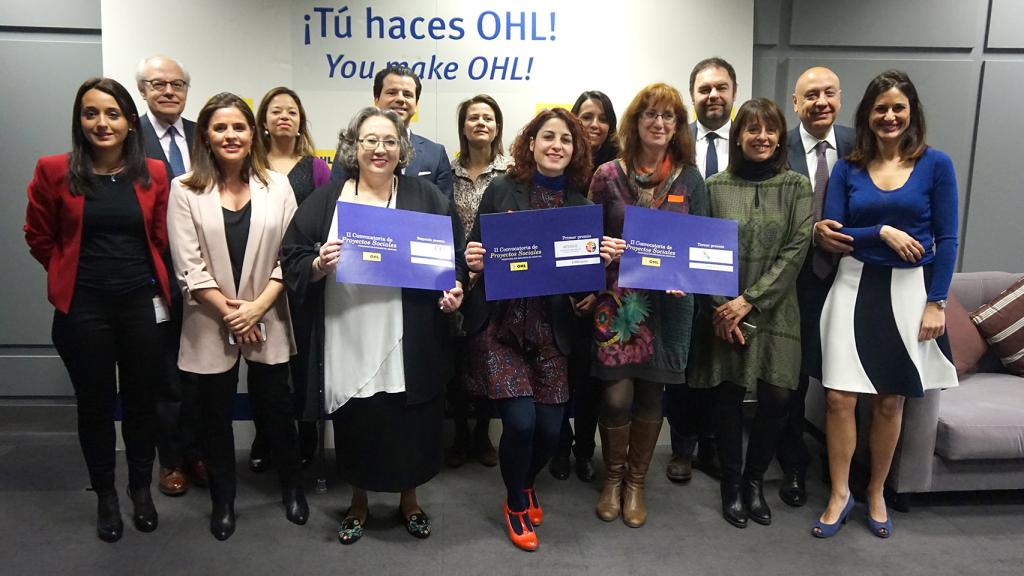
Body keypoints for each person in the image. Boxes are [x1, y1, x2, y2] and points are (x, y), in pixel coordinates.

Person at [282, 107, 466, 546]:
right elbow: (292, 253)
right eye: (370, 140)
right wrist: (317, 264)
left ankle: (410, 500)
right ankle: (359, 501)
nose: (379, 149)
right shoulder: (330, 199)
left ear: (402, 148)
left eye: (388, 141)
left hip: (409, 329)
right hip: (349, 327)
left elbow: (453, 257)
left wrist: (454, 288)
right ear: (353, 146)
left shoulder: (426, 196)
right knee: (359, 419)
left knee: (410, 421)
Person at [813, 70, 958, 539]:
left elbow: (949, 237)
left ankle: (875, 491)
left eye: (898, 107)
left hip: (909, 292)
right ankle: (840, 492)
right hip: (853, 286)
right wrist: (880, 232)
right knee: (838, 398)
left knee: (890, 402)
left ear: (911, 111)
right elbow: (832, 232)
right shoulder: (848, 168)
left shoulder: (937, 165)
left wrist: (937, 302)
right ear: (867, 115)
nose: (889, 116)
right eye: (880, 109)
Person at [24, 77, 171, 542]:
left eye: (112, 113)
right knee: (95, 406)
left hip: (140, 305)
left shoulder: (153, 172)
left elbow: (162, 238)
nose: (101, 123)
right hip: (83, 308)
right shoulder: (54, 169)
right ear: (79, 120)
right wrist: (68, 271)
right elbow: (38, 236)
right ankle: (106, 494)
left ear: (130, 121)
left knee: (142, 403)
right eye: (91, 113)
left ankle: (140, 489)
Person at [463, 108, 610, 551]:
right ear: (531, 143)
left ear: (575, 150)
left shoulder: (583, 208)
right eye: (547, 137)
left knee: (549, 430)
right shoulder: (504, 189)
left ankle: (527, 481)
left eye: (565, 140)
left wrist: (599, 264)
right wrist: (473, 260)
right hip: (502, 327)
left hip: (551, 331)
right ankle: (514, 502)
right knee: (522, 423)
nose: (556, 146)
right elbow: (475, 247)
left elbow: (582, 283)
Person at [167, 92, 306, 541]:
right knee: (214, 417)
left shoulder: (277, 186)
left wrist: (258, 307)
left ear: (253, 134)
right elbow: (188, 265)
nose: (230, 135)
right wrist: (232, 314)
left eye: (239, 127)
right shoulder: (184, 188)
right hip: (210, 321)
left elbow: (292, 254)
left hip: (268, 315)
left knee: (276, 411)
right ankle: (223, 500)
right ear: (206, 135)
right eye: (220, 127)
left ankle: (291, 488)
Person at [690, 97, 812, 529]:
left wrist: (750, 301)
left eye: (770, 130)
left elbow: (797, 250)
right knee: (726, 395)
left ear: (780, 137)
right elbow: (700, 252)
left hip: (777, 309)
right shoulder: (714, 187)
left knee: (778, 395)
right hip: (724, 308)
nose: (762, 138)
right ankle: (731, 483)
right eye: (752, 130)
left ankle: (756, 480)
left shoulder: (796, 186)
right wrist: (723, 308)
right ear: (738, 137)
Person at [588, 83, 707, 528]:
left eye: (669, 117)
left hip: (670, 305)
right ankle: (612, 479)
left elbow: (702, 241)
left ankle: (635, 483)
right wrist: (602, 249)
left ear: (677, 127)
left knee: (652, 394)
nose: (659, 123)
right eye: (650, 115)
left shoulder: (690, 178)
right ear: (635, 122)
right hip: (618, 303)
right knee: (617, 395)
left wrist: (689, 276)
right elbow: (586, 239)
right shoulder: (606, 175)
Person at [778, 66, 854, 508]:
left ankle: (842, 468)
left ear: (840, 97)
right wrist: (810, 234)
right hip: (796, 282)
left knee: (843, 379)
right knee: (793, 378)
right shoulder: (776, 147)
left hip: (852, 280)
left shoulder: (859, 145)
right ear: (796, 103)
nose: (820, 101)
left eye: (828, 92)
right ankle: (793, 465)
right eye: (811, 95)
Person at [249, 86, 332, 473]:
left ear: (301, 122)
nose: (285, 116)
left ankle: (306, 435)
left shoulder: (316, 168)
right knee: (262, 366)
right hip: (254, 277)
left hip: (302, 281)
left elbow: (328, 220)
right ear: (263, 121)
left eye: (293, 112)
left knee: (303, 364)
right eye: (277, 111)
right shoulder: (247, 163)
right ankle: (264, 436)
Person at [665, 56, 739, 483]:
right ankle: (682, 447)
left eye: (721, 87)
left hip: (731, 268)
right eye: (704, 89)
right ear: (692, 95)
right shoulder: (677, 144)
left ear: (733, 91)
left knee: (721, 363)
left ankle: (714, 445)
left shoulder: (750, 139)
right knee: (683, 363)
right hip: (681, 272)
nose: (712, 95)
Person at [136, 54, 207, 496]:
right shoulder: (129, 136)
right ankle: (172, 460)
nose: (168, 91)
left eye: (177, 84)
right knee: (164, 374)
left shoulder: (204, 135)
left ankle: (198, 451)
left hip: (203, 270)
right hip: (154, 273)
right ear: (142, 90)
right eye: (158, 84)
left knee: (202, 371)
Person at [549, 90, 621, 483]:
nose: (594, 124)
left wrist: (597, 285)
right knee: (561, 372)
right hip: (561, 288)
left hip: (604, 289)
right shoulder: (565, 164)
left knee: (591, 378)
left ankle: (584, 450)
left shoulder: (618, 170)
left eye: (602, 117)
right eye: (587, 116)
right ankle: (560, 445)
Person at [446, 94, 512, 468]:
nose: (481, 123)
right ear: (464, 126)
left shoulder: (511, 172)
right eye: (473, 118)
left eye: (489, 117)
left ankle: (484, 434)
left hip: (494, 277)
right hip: (455, 276)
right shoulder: (447, 170)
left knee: (487, 353)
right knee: (456, 359)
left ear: (497, 127)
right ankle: (459, 435)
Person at [330, 65, 453, 201]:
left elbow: (445, 212)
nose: (400, 99)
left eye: (407, 94)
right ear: (376, 99)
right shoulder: (352, 146)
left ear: (416, 104)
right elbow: (335, 197)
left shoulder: (436, 153)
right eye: (392, 92)